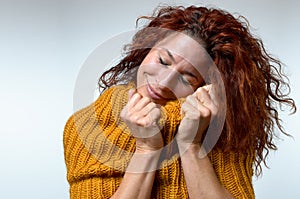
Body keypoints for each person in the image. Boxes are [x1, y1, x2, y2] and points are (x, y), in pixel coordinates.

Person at [63, 5, 296, 199]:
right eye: (163, 60)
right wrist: (147, 147)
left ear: (205, 85)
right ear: (146, 49)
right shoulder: (86, 125)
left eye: (187, 77)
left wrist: (190, 144)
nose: (164, 82)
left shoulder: (225, 129)